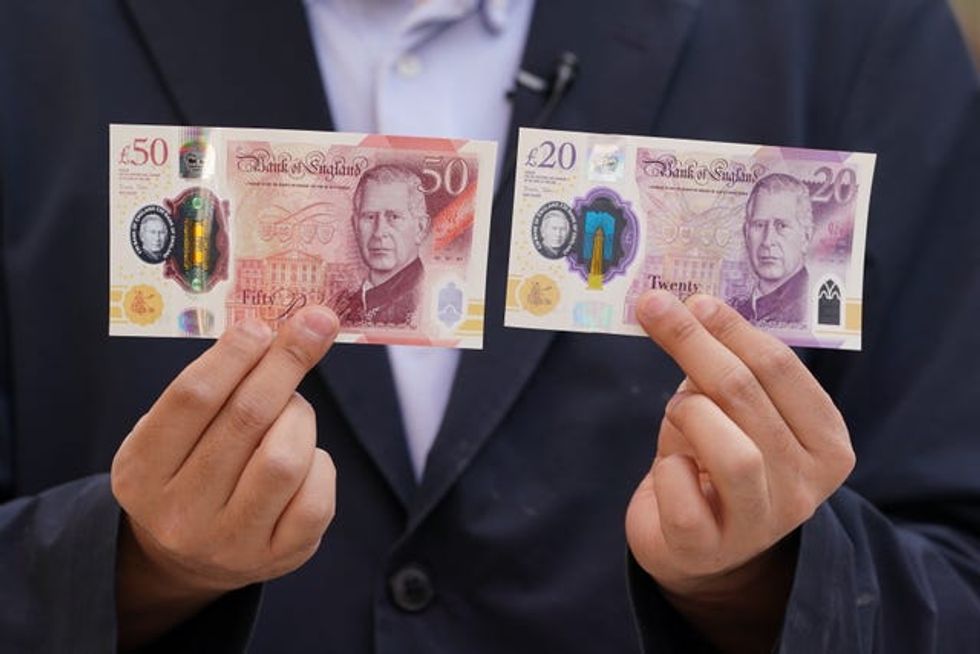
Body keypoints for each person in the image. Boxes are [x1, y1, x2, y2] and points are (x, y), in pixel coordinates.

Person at [1, 1, 979, 654]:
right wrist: (136, 569)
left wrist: (759, 581)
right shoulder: (33, 38)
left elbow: (956, 571)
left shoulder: (851, 32)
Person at [332, 164, 429, 327]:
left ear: (420, 228)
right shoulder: (343, 304)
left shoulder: (425, 304)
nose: (378, 232)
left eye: (394, 217)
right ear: (355, 225)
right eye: (369, 217)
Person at [732, 173, 813, 324]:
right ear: (746, 233)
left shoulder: (811, 310)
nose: (767, 241)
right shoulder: (735, 311)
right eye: (759, 225)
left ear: (806, 237)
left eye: (781, 226)